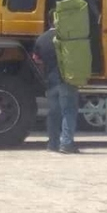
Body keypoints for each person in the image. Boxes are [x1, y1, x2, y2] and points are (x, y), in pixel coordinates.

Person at [32, 9, 80, 154]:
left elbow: (36, 59)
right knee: (69, 111)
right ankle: (66, 143)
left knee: (53, 113)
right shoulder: (67, 38)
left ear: (48, 20)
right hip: (66, 80)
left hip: (50, 81)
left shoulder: (41, 39)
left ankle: (52, 144)